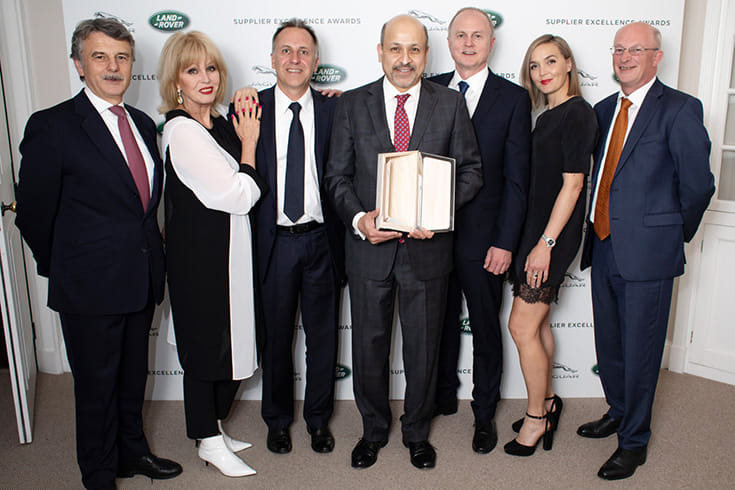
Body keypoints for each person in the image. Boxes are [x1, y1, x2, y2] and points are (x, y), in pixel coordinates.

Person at [14, 18, 181, 489]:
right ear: (79, 65)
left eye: (122, 57)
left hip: (140, 276)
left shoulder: (142, 123)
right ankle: (99, 473)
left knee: (131, 379)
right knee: (95, 389)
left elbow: (142, 205)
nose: (113, 67)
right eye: (100, 56)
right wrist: (66, 268)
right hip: (88, 286)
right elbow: (33, 214)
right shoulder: (53, 126)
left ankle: (132, 453)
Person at [325, 14, 483, 470]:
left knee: (423, 349)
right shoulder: (352, 104)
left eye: (414, 49)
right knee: (368, 348)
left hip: (427, 251)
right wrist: (360, 219)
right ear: (380, 52)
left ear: (426, 54)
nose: (404, 59)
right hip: (368, 250)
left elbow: (471, 171)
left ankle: (416, 433)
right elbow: (337, 177)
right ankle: (372, 431)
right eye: (395, 48)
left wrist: (437, 211)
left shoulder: (450, 103)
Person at [578, 22, 714, 480]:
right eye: (619, 49)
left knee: (641, 351)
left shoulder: (679, 108)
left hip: (649, 252)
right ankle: (618, 412)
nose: (625, 57)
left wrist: (670, 233)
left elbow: (698, 185)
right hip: (602, 244)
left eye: (636, 49)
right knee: (610, 344)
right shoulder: (603, 110)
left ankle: (634, 442)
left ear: (657, 56)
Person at [158, 31, 266, 477]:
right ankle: (206, 437)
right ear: (176, 82)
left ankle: (213, 429)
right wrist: (250, 145)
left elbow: (252, 113)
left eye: (211, 68)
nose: (205, 78)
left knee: (230, 348)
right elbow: (239, 194)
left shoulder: (214, 122)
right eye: (192, 70)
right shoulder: (182, 130)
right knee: (206, 350)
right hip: (201, 263)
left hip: (228, 256)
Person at [429, 7, 531, 454]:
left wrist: (505, 242)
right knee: (436, 323)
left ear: (492, 43)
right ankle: (440, 397)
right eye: (460, 35)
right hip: (431, 235)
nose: (468, 43)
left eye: (477, 35)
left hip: (486, 240)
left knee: (485, 328)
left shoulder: (513, 99)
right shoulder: (429, 89)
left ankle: (484, 412)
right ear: (449, 42)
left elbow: (517, 180)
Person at [243, 19, 344, 456]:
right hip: (274, 243)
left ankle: (319, 421)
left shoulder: (336, 110)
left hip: (323, 241)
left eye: (304, 51)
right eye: (286, 50)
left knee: (323, 339)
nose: (295, 59)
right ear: (272, 59)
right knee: (276, 339)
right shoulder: (251, 110)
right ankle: (278, 420)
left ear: (316, 61)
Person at [503, 34, 598, 457]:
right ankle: (547, 403)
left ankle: (536, 418)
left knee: (521, 327)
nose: (543, 72)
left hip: (552, 236)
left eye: (551, 61)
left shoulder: (578, 113)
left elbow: (573, 185)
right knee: (538, 325)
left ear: (569, 64)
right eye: (535, 65)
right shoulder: (546, 116)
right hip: (536, 231)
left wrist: (545, 243)